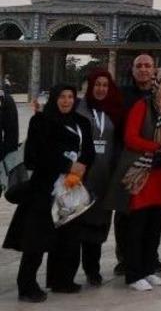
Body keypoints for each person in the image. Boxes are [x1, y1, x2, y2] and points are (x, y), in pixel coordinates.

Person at [4, 84, 95, 302]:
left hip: (72, 188)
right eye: (62, 97)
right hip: (44, 189)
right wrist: (67, 165)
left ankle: (61, 280)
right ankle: (26, 285)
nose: (66, 101)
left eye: (70, 97)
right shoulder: (41, 121)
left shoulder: (81, 122)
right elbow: (35, 155)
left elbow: (89, 150)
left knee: (69, 236)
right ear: (54, 99)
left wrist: (81, 166)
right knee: (36, 239)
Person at [113, 68, 161, 291]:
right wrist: (158, 148)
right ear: (157, 83)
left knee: (155, 225)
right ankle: (133, 272)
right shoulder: (142, 106)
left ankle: (148, 268)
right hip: (143, 171)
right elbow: (130, 137)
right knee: (138, 225)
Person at [76, 69, 124, 287]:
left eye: (105, 85)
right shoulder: (79, 109)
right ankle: (64, 272)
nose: (101, 89)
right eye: (97, 84)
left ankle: (92, 270)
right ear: (89, 86)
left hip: (104, 178)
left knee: (97, 227)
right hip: (79, 178)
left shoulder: (114, 111)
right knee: (74, 226)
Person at [112, 53, 157, 277]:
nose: (143, 70)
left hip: (153, 160)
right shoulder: (121, 95)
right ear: (132, 70)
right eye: (139, 66)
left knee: (150, 211)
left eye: (147, 66)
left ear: (154, 70)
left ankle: (149, 256)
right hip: (127, 158)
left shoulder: (160, 94)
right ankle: (124, 257)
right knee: (125, 211)